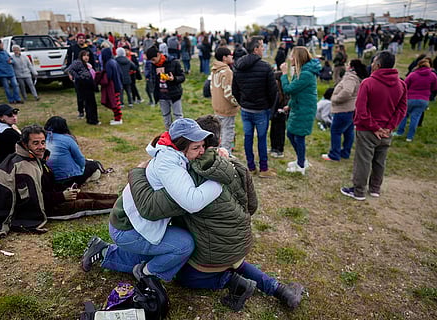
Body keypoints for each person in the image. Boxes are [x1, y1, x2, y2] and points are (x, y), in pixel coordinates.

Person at [107, 115, 305, 311]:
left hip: (210, 254)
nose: (199, 150)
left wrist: (137, 172)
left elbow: (149, 207)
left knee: (183, 271)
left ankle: (233, 282)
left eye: (200, 145)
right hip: (239, 244)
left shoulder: (187, 180)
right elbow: (252, 206)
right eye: (196, 146)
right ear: (218, 142)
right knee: (235, 261)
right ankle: (279, 289)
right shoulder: (233, 166)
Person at [80, 118, 221, 286]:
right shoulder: (169, 165)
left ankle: (103, 251)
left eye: (203, 146)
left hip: (129, 221)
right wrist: (220, 181)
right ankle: (147, 273)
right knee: (183, 246)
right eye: (196, 148)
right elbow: (192, 202)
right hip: (126, 228)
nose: (202, 152)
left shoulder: (175, 156)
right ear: (181, 148)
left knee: (160, 252)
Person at [0, 124, 119, 240]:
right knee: (87, 204)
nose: (41, 146)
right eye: (35, 143)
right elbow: (33, 202)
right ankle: (123, 207)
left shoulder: (34, 159)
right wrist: (62, 196)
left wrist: (65, 191)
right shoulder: (24, 168)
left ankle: (121, 200)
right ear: (25, 144)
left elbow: (46, 187)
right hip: (46, 209)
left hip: (53, 197)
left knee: (85, 195)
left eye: (43, 142)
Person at [341, 51, 407, 200]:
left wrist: (375, 127)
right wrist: (389, 127)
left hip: (367, 129)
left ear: (377, 65)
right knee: (380, 161)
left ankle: (358, 191)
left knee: (363, 160)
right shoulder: (401, 84)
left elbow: (361, 110)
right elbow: (402, 109)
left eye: (373, 62)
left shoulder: (368, 83)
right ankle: (375, 188)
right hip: (386, 132)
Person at [232, 36, 278, 178]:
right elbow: (273, 91)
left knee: (248, 138)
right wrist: (269, 107)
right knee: (262, 139)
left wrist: (243, 102)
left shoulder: (238, 66)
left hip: (246, 109)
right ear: (255, 48)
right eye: (262, 46)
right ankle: (263, 169)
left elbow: (235, 90)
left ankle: (251, 167)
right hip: (259, 110)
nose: (263, 49)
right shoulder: (265, 67)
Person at [280, 46, 321, 175]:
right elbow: (297, 92)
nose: (290, 58)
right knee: (291, 134)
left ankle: (301, 165)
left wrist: (284, 75)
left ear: (298, 58)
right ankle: (301, 160)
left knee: (298, 136)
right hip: (299, 107)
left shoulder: (306, 74)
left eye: (292, 56)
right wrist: (290, 105)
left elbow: (289, 89)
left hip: (305, 109)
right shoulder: (302, 71)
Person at [322, 59, 368, 161]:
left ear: (351, 67)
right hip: (352, 109)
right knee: (348, 131)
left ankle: (334, 154)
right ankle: (345, 152)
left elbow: (347, 91)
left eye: (348, 64)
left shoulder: (350, 77)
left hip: (343, 109)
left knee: (336, 131)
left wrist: (335, 98)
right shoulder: (357, 78)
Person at [44, 116, 102, 189]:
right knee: (93, 165)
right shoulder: (68, 139)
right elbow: (80, 160)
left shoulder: (42, 139)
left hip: (48, 179)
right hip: (68, 179)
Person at [394, 58, 437, 142]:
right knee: (415, 117)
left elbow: (405, 84)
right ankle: (409, 137)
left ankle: (399, 132)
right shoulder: (433, 75)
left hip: (410, 98)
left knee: (404, 115)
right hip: (423, 100)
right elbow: (435, 87)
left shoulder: (413, 74)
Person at [145, 46, 186, 129]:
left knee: (178, 116)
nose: (152, 62)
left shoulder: (173, 62)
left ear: (158, 54)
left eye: (153, 59)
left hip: (174, 94)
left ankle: (181, 134)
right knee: (166, 117)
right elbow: (153, 78)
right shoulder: (153, 66)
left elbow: (182, 77)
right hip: (161, 95)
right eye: (150, 60)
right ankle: (169, 134)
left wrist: (174, 79)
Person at [210, 47, 240, 154]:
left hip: (217, 106)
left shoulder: (214, 70)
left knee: (220, 132)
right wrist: (237, 103)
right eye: (230, 55)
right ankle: (226, 156)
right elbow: (228, 93)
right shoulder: (227, 72)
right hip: (227, 108)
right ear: (224, 58)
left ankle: (219, 153)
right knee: (228, 133)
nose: (232, 56)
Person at [65, 33, 96, 118]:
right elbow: (68, 62)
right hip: (77, 74)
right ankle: (81, 111)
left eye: (83, 38)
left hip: (87, 75)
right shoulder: (72, 49)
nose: (81, 40)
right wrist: (70, 74)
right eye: (79, 38)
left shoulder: (88, 49)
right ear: (77, 39)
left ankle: (88, 111)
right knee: (79, 94)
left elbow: (93, 62)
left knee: (88, 94)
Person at [65, 51, 100, 125]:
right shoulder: (78, 63)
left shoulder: (87, 64)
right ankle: (92, 120)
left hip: (89, 85)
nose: (86, 57)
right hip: (83, 85)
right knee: (90, 103)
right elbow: (68, 69)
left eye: (88, 55)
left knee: (90, 103)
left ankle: (91, 119)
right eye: (84, 55)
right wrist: (77, 77)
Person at [0, 40, 22, 104]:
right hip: (2, 73)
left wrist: (11, 62)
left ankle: (17, 98)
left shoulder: (5, 51)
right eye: (1, 44)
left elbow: (11, 59)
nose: (2, 45)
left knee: (15, 85)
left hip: (10, 71)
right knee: (7, 87)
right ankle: (11, 100)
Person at [0, 104, 21, 169]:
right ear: (1, 118)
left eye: (15, 113)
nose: (14, 117)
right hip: (7, 167)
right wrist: (17, 130)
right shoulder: (8, 133)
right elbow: (26, 143)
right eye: (10, 115)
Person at [98, 47, 124, 125]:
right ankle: (118, 118)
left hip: (113, 87)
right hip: (118, 84)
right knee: (117, 102)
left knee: (115, 103)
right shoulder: (114, 61)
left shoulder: (108, 64)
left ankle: (118, 119)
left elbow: (108, 76)